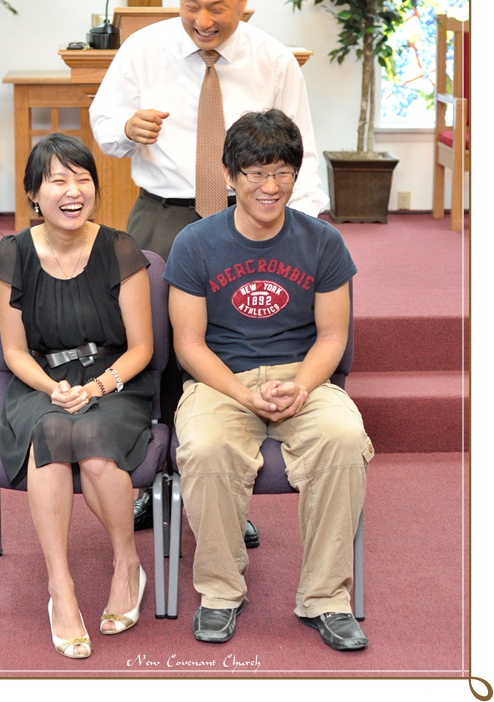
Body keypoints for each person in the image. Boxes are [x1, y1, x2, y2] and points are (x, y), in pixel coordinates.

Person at [90, 0, 329, 539]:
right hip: (163, 216)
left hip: (248, 223)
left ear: (244, 0)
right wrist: (127, 128)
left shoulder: (273, 59)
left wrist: (306, 235)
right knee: (152, 347)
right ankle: (151, 479)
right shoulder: (144, 48)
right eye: (191, 5)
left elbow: (300, 151)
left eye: (217, 8)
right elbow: (103, 121)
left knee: (225, 345)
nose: (202, 20)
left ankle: (227, 493)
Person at [163, 110, 374, 650]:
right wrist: (243, 393)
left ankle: (326, 598)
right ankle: (220, 591)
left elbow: (332, 337)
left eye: (282, 172)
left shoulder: (323, 242)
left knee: (344, 437)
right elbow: (189, 345)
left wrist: (301, 387)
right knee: (205, 446)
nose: (270, 186)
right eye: (256, 173)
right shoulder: (194, 242)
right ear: (230, 176)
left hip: (302, 376)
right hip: (222, 380)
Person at [0, 133, 155, 659]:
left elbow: (142, 347)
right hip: (42, 381)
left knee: (97, 441)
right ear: (34, 194)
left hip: (115, 378)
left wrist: (99, 386)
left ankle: (127, 564)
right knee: (53, 431)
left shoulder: (120, 248)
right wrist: (54, 388)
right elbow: (14, 351)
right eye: (58, 180)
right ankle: (60, 586)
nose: (73, 191)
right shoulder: (13, 253)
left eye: (83, 179)